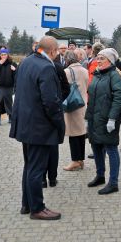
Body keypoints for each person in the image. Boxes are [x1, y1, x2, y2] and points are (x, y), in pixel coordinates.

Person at [9, 36, 65, 220]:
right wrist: (59, 122)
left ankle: (27, 203)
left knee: (29, 166)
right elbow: (50, 101)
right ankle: (37, 208)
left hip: (26, 124)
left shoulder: (26, 62)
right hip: (40, 127)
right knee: (36, 169)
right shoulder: (47, 67)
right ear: (53, 51)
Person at [85, 48, 121, 195]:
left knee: (111, 150)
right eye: (98, 58)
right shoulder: (97, 74)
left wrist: (112, 118)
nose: (99, 60)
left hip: (107, 120)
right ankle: (100, 176)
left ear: (110, 60)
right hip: (95, 119)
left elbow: (119, 98)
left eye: (102, 58)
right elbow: (91, 98)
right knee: (96, 147)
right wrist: (87, 118)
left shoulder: (114, 76)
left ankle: (113, 182)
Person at [43, 53, 70, 188]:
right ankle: (52, 178)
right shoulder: (58, 67)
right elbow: (67, 88)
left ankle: (42, 179)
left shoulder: (36, 66)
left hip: (41, 115)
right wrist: (59, 101)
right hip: (55, 113)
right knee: (53, 147)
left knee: (41, 148)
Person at [62, 49, 89, 171]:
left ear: (67, 59)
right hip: (83, 104)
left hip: (72, 106)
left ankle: (75, 161)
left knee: (73, 134)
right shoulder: (84, 70)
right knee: (81, 133)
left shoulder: (66, 71)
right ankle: (80, 160)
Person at [0, 48, 16, 126]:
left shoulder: (12, 63)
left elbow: (17, 75)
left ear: (8, 55)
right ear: (0, 55)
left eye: (5, 54)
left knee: (9, 101)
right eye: (2, 54)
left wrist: (15, 70)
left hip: (9, 86)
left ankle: (10, 118)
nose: (3, 56)